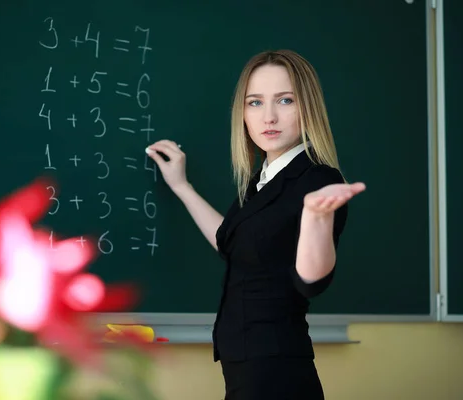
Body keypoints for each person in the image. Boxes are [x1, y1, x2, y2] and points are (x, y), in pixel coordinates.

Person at [146, 49, 365, 399]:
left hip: (275, 369)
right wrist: (181, 187)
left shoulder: (317, 179)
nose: (270, 117)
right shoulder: (261, 180)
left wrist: (315, 219)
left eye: (285, 100)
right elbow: (229, 243)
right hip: (246, 362)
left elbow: (312, 280)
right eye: (255, 103)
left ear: (307, 107)